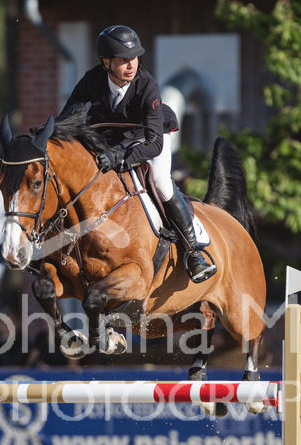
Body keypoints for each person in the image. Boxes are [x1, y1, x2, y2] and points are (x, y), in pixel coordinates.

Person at [59, 25, 216, 283]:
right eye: (123, 60)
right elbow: (67, 119)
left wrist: (121, 157)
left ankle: (194, 251)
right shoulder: (92, 80)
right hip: (113, 142)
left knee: (161, 181)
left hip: (151, 138)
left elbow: (154, 143)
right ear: (105, 62)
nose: (131, 65)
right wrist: (43, 134)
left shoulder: (146, 85)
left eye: (134, 58)